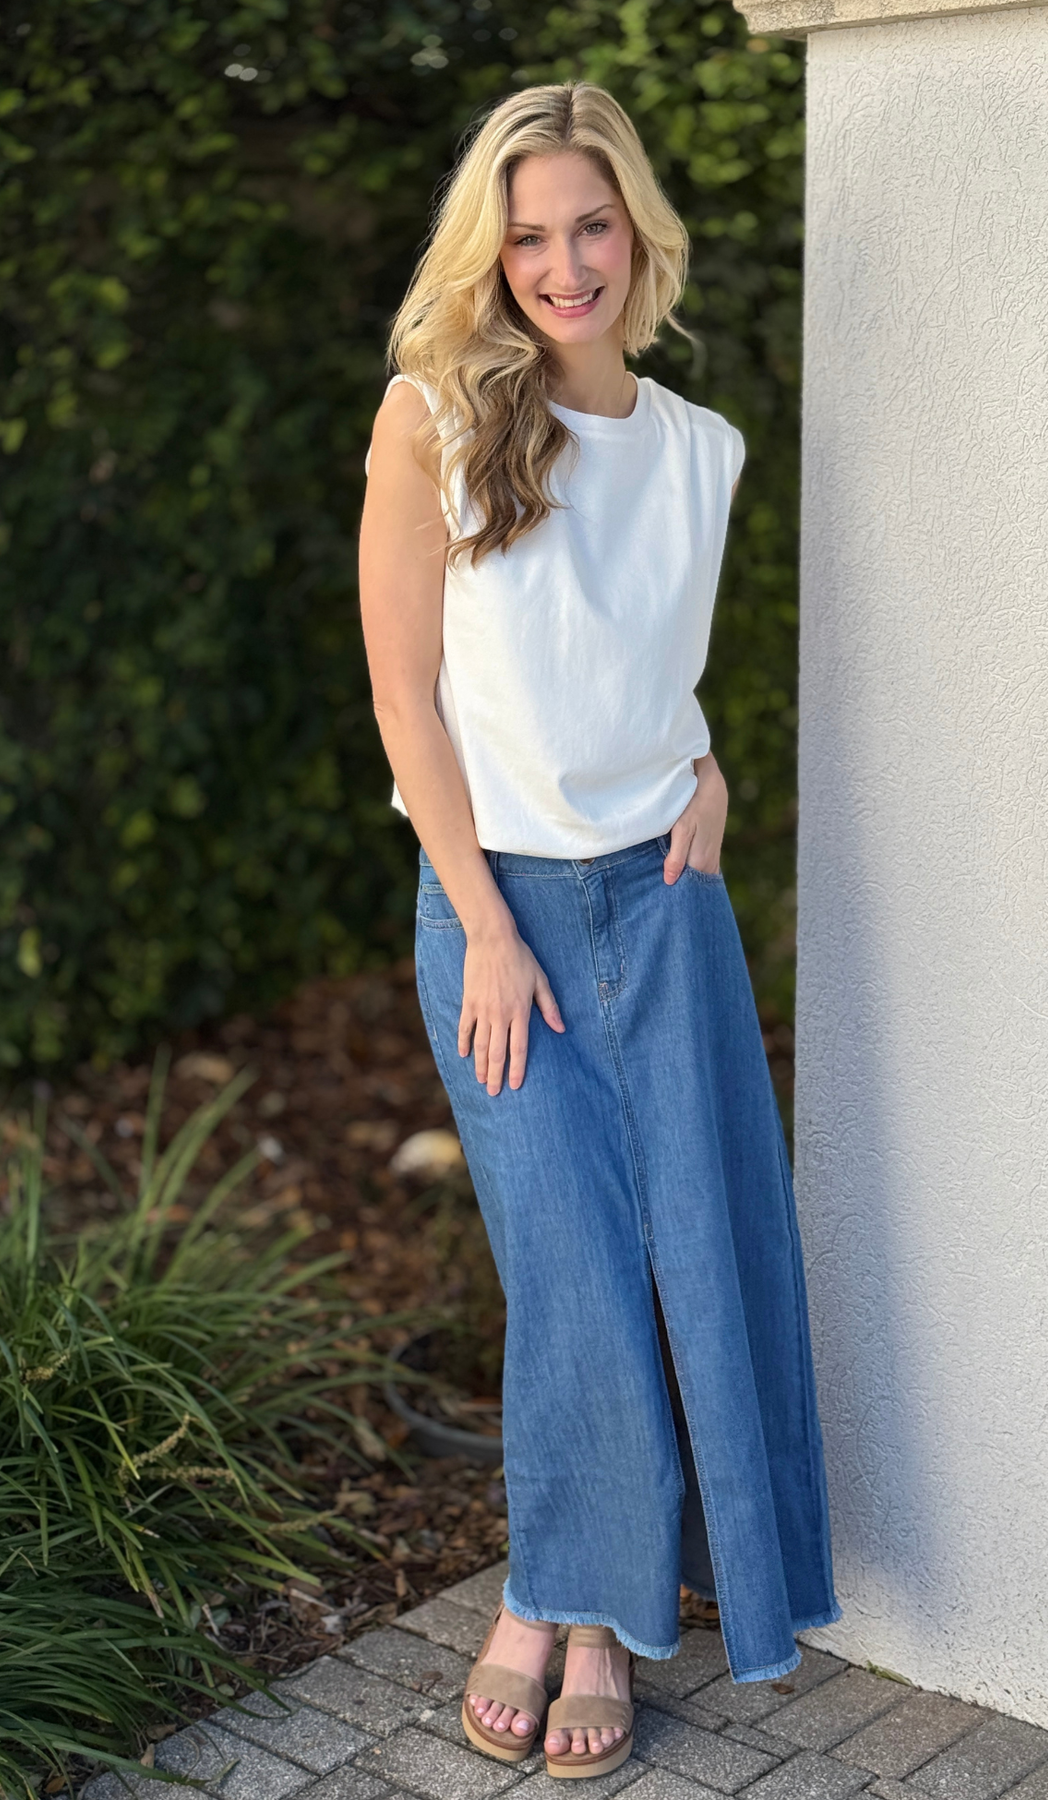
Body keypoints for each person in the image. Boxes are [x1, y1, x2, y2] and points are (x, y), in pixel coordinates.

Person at [358, 80, 839, 1782]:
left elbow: (640, 675)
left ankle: (598, 1609)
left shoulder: (699, 451)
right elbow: (408, 704)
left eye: (591, 226)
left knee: (687, 1253)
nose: (564, 264)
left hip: (669, 900)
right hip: (503, 914)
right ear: (492, 256)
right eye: (532, 234)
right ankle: (559, 1602)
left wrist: (704, 764)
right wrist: (484, 925)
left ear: (637, 234)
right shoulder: (433, 418)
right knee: (566, 1259)